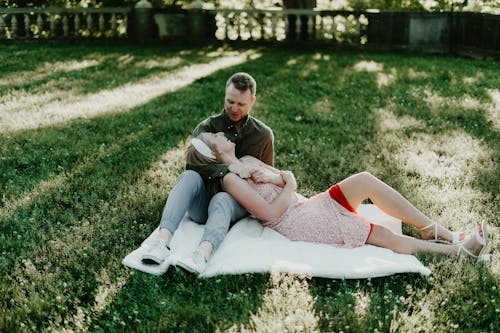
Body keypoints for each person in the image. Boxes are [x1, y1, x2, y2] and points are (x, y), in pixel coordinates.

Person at [185, 132, 490, 262]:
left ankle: (436, 230)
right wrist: (287, 184)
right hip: (298, 221)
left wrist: (281, 178)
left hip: (309, 203)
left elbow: (286, 176)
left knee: (365, 180)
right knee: (380, 234)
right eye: (215, 136)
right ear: (213, 151)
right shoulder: (231, 180)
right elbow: (270, 213)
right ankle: (458, 253)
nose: (222, 133)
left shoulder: (250, 161)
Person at [141, 72, 274, 273]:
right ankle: (161, 243)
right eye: (230, 102)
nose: (234, 108)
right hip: (203, 202)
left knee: (222, 198)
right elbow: (194, 163)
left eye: (241, 104)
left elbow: (265, 177)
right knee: (188, 176)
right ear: (224, 96)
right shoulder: (208, 127)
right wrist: (233, 169)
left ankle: (201, 255)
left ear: (252, 102)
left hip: (235, 203)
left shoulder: (263, 135)